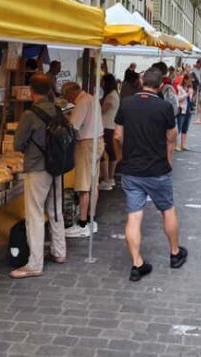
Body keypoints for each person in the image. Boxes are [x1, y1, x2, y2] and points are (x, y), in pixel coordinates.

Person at [114, 68, 187, 281]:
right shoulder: (164, 107)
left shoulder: (126, 103)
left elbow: (118, 135)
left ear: (141, 82)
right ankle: (174, 253)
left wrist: (121, 159)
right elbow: (171, 137)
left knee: (134, 216)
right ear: (160, 86)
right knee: (167, 210)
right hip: (157, 169)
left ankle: (137, 263)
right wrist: (168, 161)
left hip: (132, 170)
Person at [10, 75, 66, 278]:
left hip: (37, 167)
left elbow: (18, 144)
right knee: (55, 210)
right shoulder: (58, 109)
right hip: (57, 166)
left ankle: (35, 263)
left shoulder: (30, 114)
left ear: (32, 91)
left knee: (34, 214)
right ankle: (59, 252)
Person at [61, 81, 104, 239]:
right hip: (97, 141)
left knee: (83, 185)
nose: (68, 100)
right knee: (93, 184)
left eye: (67, 97)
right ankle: (91, 218)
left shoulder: (82, 102)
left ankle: (83, 223)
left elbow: (74, 127)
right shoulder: (92, 98)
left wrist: (66, 120)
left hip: (86, 144)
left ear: (71, 93)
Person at [99, 73, 120, 191]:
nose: (101, 83)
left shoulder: (110, 97)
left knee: (103, 153)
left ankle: (106, 179)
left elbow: (101, 111)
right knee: (110, 152)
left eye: (102, 81)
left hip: (106, 127)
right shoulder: (114, 94)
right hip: (110, 126)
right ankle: (109, 178)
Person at [174, 74, 194, 151]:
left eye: (190, 81)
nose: (190, 82)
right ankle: (175, 144)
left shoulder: (190, 88)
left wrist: (190, 94)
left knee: (185, 128)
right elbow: (178, 99)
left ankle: (183, 144)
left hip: (188, 109)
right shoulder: (179, 88)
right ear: (185, 80)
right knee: (179, 127)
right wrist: (186, 94)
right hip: (182, 109)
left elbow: (190, 99)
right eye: (188, 80)